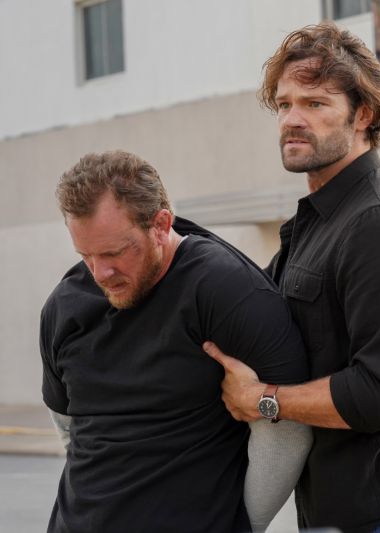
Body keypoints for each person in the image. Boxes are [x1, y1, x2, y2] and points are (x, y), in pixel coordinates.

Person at [202, 23, 380, 533]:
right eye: (284, 104)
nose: (292, 120)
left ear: (363, 115)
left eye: (315, 103)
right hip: (339, 511)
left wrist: (264, 399)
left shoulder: (379, 221)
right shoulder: (321, 219)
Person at [40, 150, 311, 532]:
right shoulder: (65, 305)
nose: (100, 273)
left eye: (115, 253)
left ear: (161, 224)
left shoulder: (226, 290)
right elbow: (67, 426)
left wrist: (241, 525)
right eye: (86, 255)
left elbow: (287, 431)